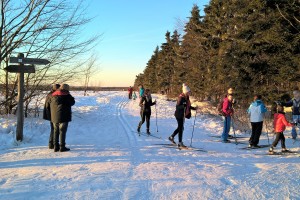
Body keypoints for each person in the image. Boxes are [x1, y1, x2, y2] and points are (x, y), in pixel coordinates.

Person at [48, 84, 75, 152]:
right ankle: (62, 147)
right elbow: (72, 102)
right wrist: (69, 95)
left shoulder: (53, 95)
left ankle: (56, 146)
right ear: (67, 89)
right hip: (64, 116)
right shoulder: (67, 96)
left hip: (54, 116)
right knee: (62, 131)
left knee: (55, 131)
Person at [43, 84, 60, 149]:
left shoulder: (50, 94)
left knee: (53, 129)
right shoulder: (53, 95)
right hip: (52, 114)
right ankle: (52, 143)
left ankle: (51, 144)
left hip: (51, 113)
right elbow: (48, 106)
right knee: (54, 129)